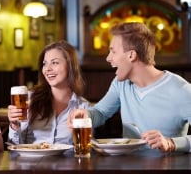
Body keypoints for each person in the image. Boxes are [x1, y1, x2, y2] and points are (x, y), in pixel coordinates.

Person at [68, 22, 191, 153]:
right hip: (128, 167)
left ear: (131, 55)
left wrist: (171, 143)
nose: (108, 58)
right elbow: (101, 113)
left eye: (113, 51)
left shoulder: (181, 90)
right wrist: (86, 115)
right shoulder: (120, 84)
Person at [8, 41, 92, 144]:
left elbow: (87, 149)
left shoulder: (84, 107)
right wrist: (14, 125)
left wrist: (78, 136)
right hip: (32, 160)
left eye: (55, 62)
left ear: (70, 66)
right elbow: (15, 147)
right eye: (44, 64)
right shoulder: (29, 100)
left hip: (67, 160)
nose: (47, 69)